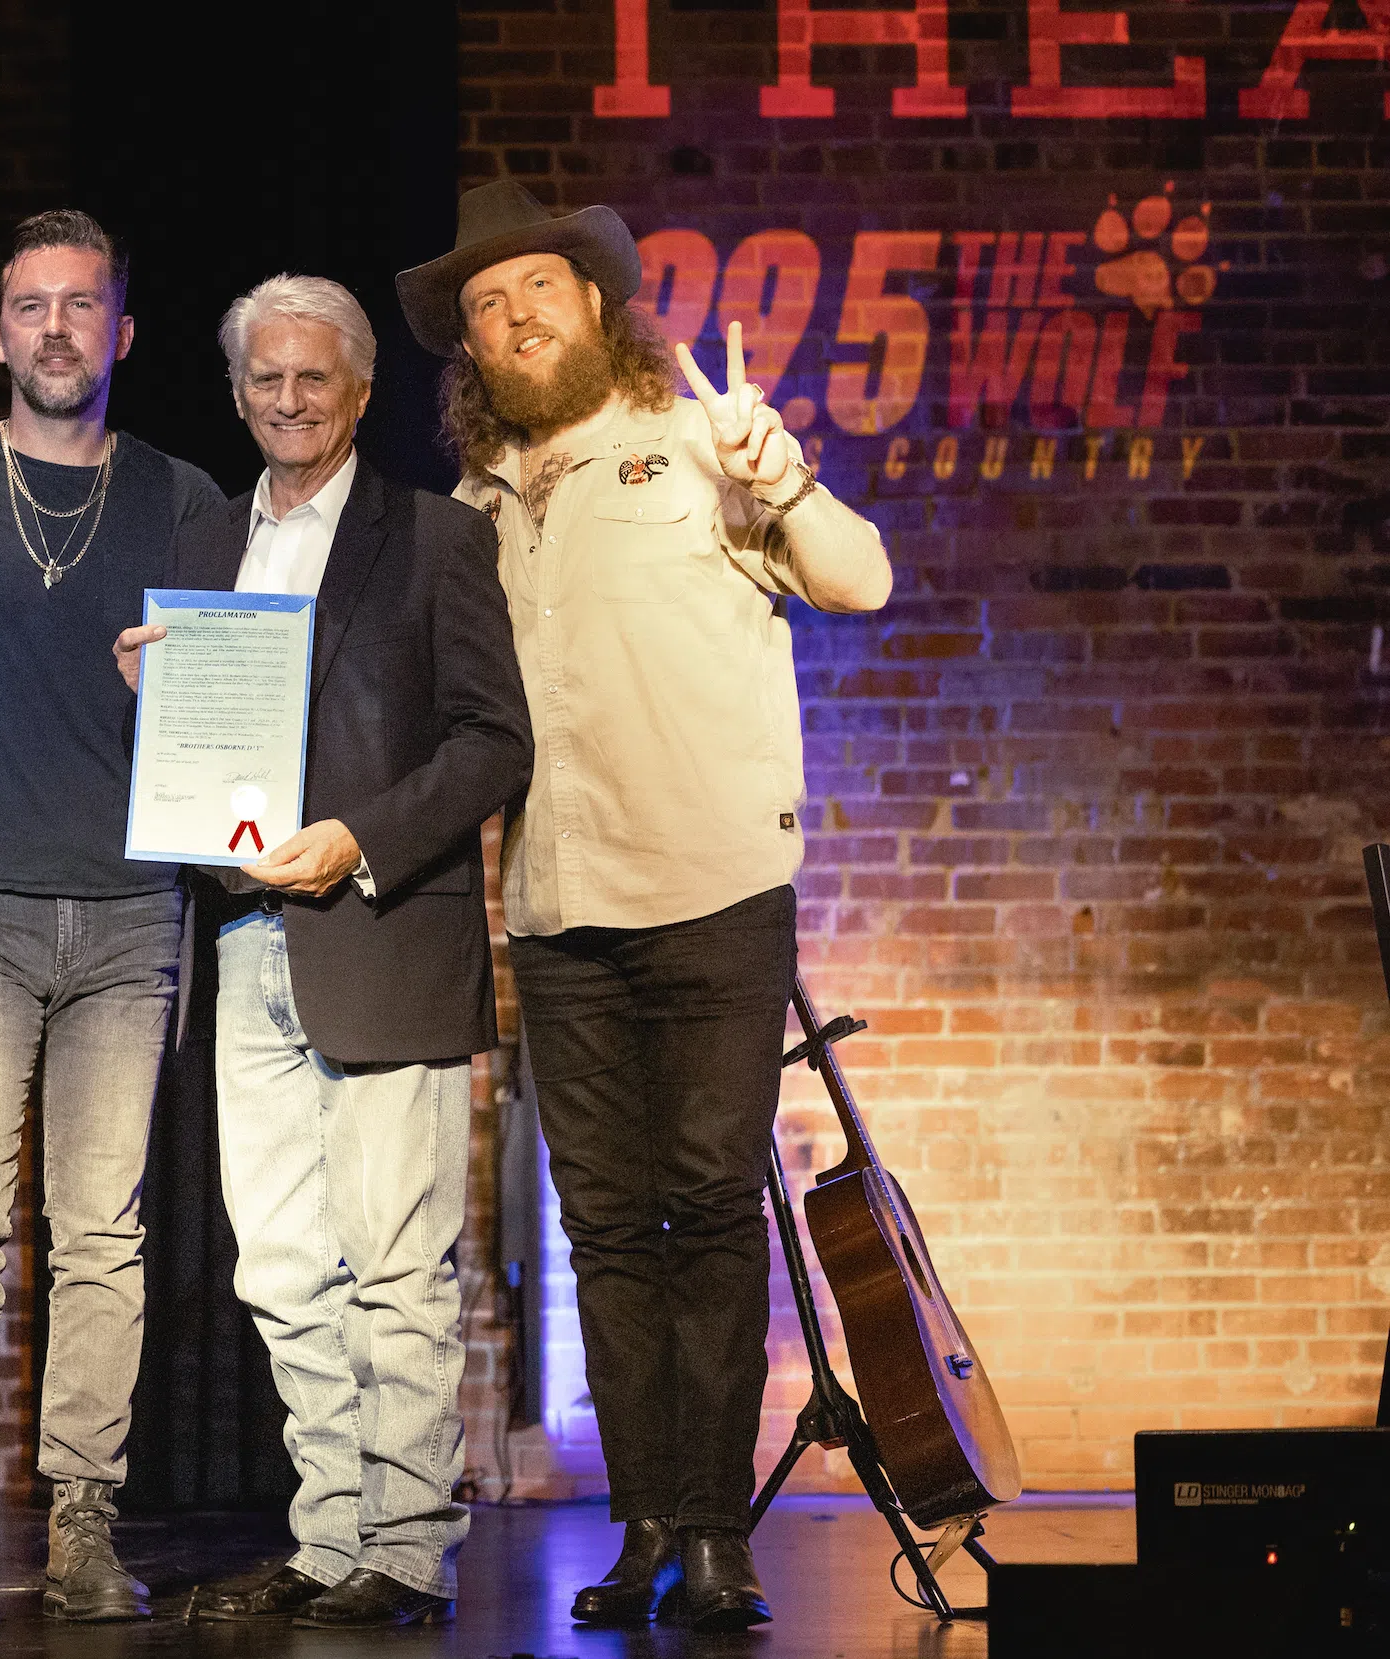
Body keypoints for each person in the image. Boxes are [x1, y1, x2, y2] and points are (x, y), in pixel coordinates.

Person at [396, 180, 894, 1632]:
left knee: (711, 1208)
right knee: (608, 1231)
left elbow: (861, 581)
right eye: (486, 307)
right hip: (559, 911)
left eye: (536, 288)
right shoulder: (474, 510)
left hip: (713, 891)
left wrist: (781, 478)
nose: (514, 317)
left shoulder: (698, 442)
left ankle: (717, 1530)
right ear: (470, 351)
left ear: (596, 305)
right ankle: (647, 1521)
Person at [113, 277, 530, 1628]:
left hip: (381, 935)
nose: (288, 400)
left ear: (358, 391)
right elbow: (205, 749)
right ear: (237, 393)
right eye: (265, 378)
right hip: (244, 937)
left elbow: (494, 742)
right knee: (282, 1266)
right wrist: (153, 693)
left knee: (396, 1263)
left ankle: (403, 1546)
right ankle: (331, 1531)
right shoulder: (205, 538)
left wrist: (361, 838)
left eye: (314, 377)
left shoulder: (435, 536)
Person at [0, 209, 222, 1631]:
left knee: (101, 1232)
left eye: (84, 304)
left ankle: (83, 1519)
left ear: (120, 332)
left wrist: (181, 688)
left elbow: (258, 697)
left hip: (134, 911)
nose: (59, 328)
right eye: (33, 305)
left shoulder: (185, 498)